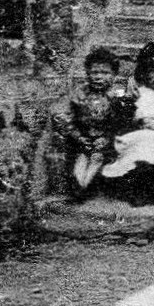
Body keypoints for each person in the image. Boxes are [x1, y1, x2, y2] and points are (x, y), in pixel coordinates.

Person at [100, 43, 154, 194]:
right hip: (141, 134)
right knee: (145, 142)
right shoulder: (140, 92)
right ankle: (140, 189)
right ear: (144, 73)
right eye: (152, 71)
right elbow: (134, 116)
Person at [52, 48, 135, 197]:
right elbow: (67, 116)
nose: (98, 77)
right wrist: (78, 136)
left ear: (114, 75)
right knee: (82, 157)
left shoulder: (117, 97)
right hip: (82, 138)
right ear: (87, 73)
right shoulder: (81, 93)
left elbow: (121, 123)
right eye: (94, 72)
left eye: (105, 73)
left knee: (98, 157)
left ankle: (87, 186)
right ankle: (79, 185)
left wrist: (107, 139)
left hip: (106, 141)